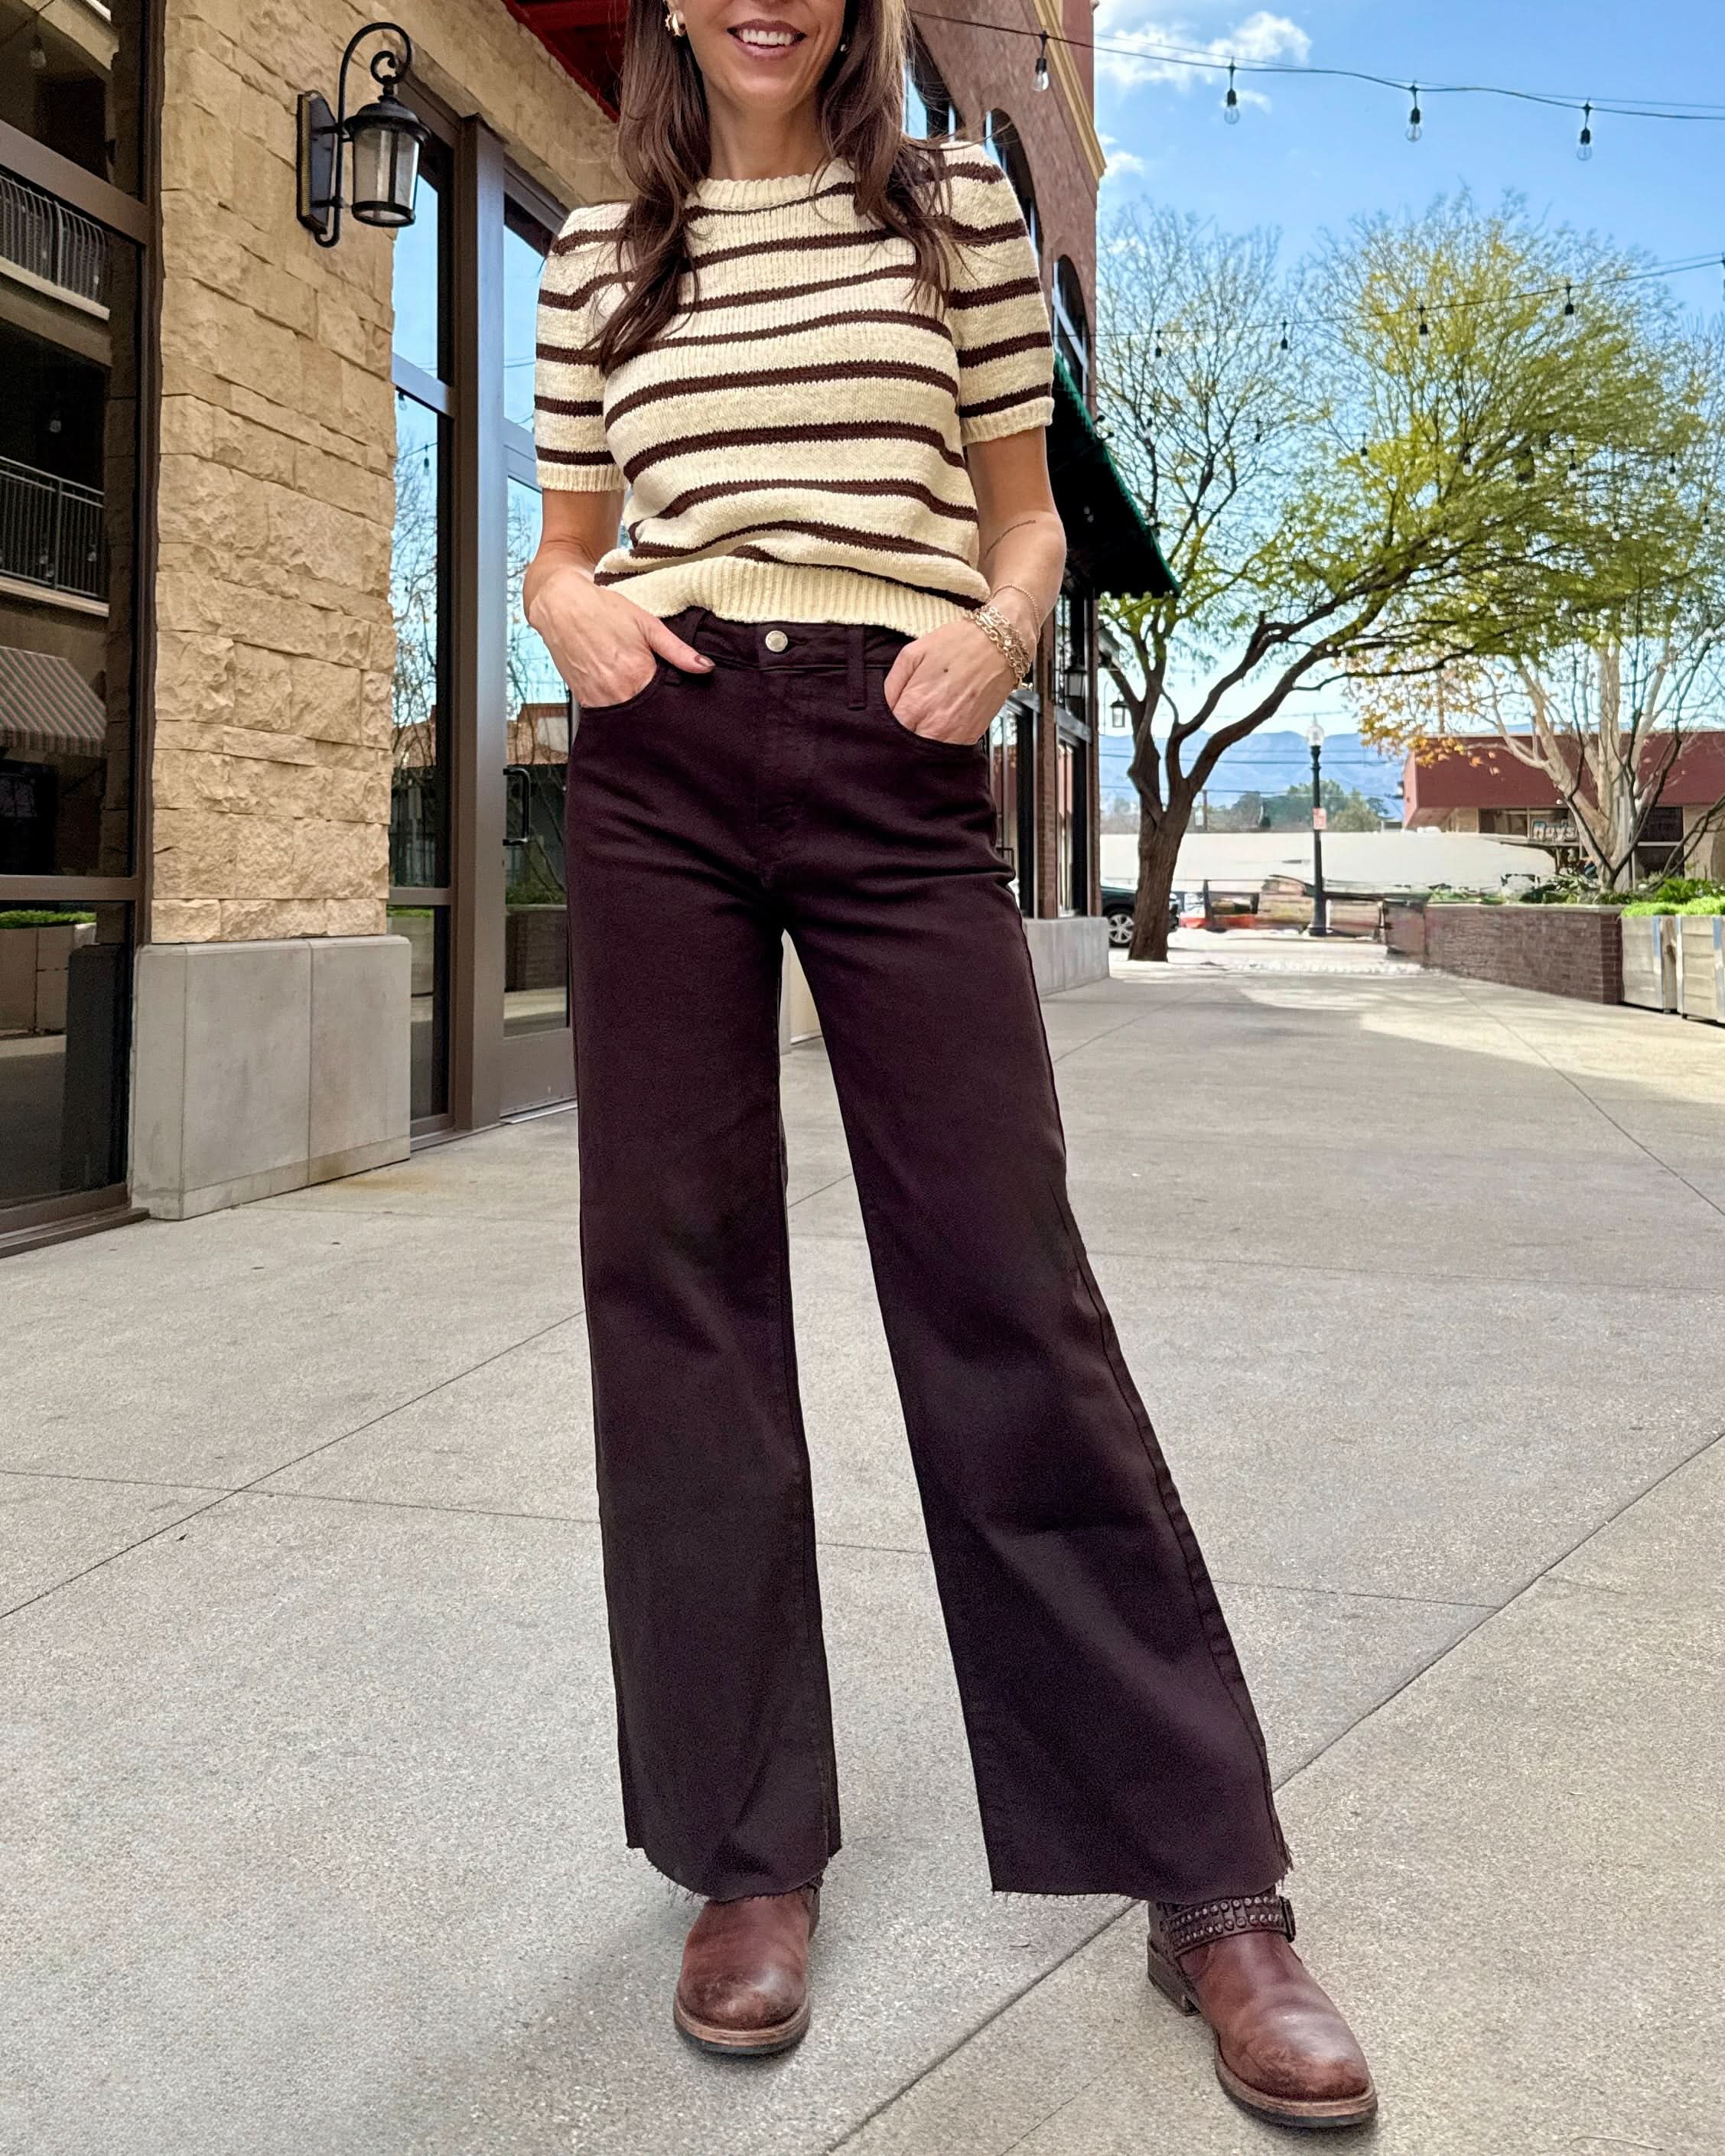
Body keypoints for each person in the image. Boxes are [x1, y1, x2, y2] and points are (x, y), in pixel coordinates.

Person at [523, 0, 1375, 2128]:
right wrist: (569, 614)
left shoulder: (958, 217)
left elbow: (1024, 518)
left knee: (1009, 1284)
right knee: (680, 1291)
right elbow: (562, 532)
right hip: (661, 755)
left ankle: (1209, 1874)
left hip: (898, 752)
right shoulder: (592, 258)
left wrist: (998, 643)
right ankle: (749, 1848)